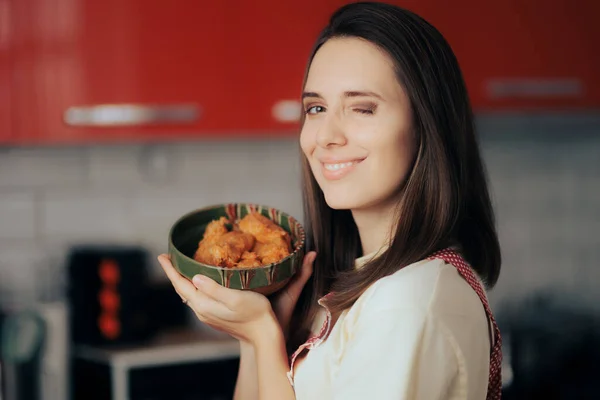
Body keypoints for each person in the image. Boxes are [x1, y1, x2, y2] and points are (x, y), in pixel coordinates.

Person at [158, 2, 503, 399]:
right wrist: (258, 335)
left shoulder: (408, 301)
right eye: (316, 108)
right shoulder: (367, 287)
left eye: (362, 108)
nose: (325, 136)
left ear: (426, 125)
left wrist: (263, 333)